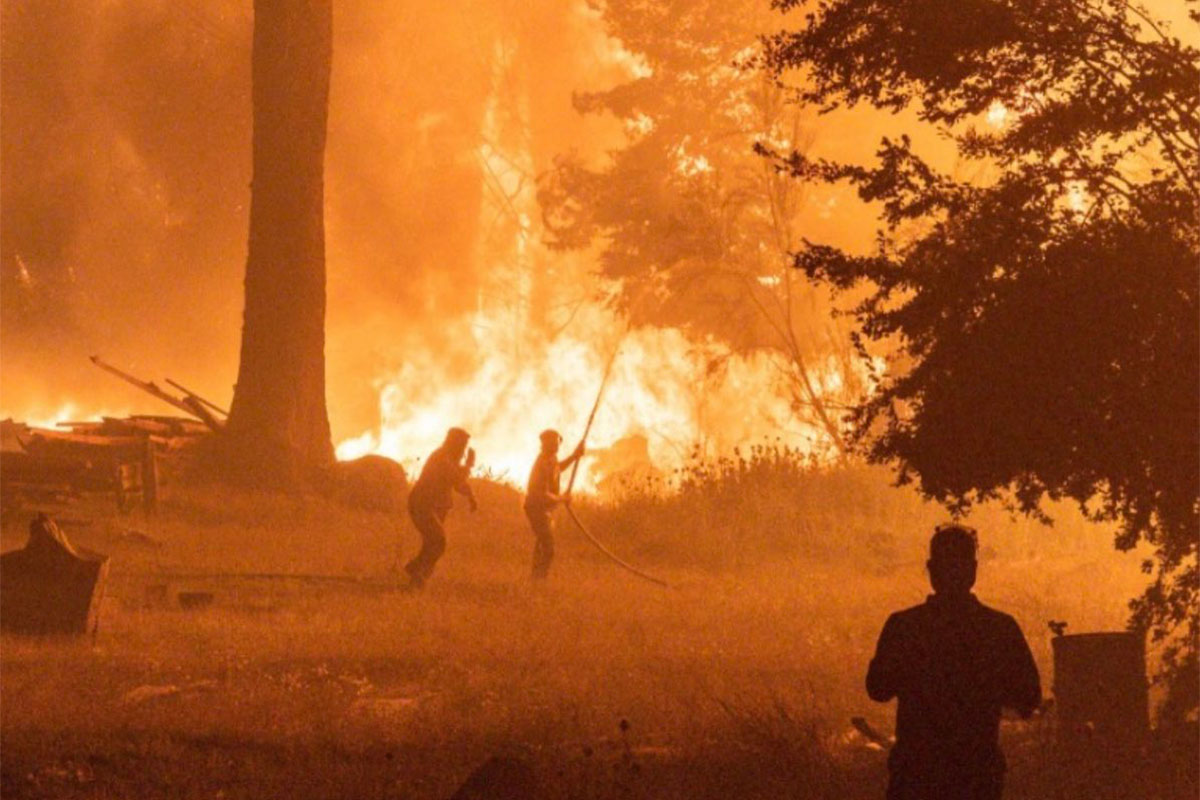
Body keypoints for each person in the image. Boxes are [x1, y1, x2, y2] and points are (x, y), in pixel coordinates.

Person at [866, 524, 1041, 800]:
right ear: (973, 570)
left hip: (916, 775)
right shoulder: (999, 628)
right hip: (977, 776)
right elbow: (1029, 697)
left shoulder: (904, 626)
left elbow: (877, 689)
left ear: (931, 569)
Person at [404, 427, 477, 589]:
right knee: (438, 541)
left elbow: (458, 484)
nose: (464, 449)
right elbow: (456, 478)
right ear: (453, 443)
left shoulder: (449, 458)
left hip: (434, 505)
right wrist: (469, 466)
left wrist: (471, 497)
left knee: (432, 543)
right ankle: (415, 571)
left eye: (465, 445)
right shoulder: (441, 458)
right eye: (462, 445)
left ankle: (416, 578)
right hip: (422, 504)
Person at [523, 429, 584, 580]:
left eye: (557, 442)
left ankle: (535, 580)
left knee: (541, 545)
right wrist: (561, 498)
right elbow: (541, 494)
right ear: (545, 444)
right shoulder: (542, 464)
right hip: (536, 508)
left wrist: (574, 456)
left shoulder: (551, 459)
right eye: (553, 443)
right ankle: (539, 580)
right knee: (548, 548)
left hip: (545, 509)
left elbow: (558, 468)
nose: (556, 446)